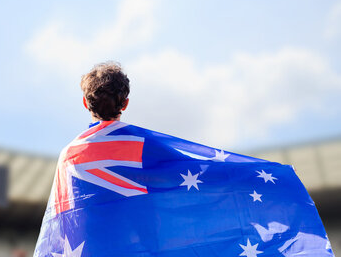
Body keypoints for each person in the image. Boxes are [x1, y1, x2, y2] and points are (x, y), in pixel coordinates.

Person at [34, 62, 333, 257]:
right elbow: (199, 173)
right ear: (125, 102)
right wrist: (267, 177)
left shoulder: (68, 156)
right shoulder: (140, 144)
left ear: (85, 102)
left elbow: (59, 223)